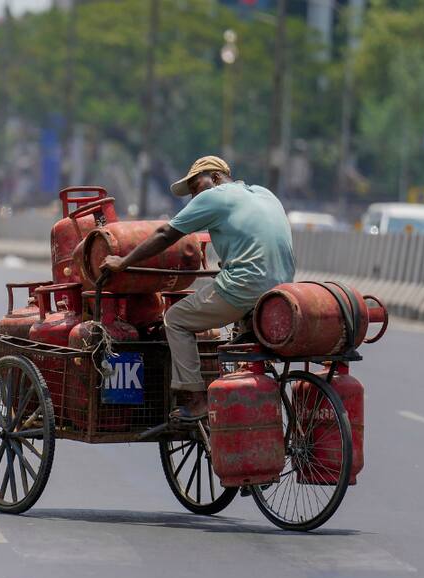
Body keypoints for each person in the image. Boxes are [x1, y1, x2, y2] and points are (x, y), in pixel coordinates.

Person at [100, 156, 295, 420]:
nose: (194, 196)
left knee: (176, 319)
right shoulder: (264, 194)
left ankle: (195, 398)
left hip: (245, 287)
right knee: (234, 332)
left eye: (195, 187)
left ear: (214, 178)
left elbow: (165, 235)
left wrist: (123, 262)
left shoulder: (215, 196)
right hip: (281, 290)